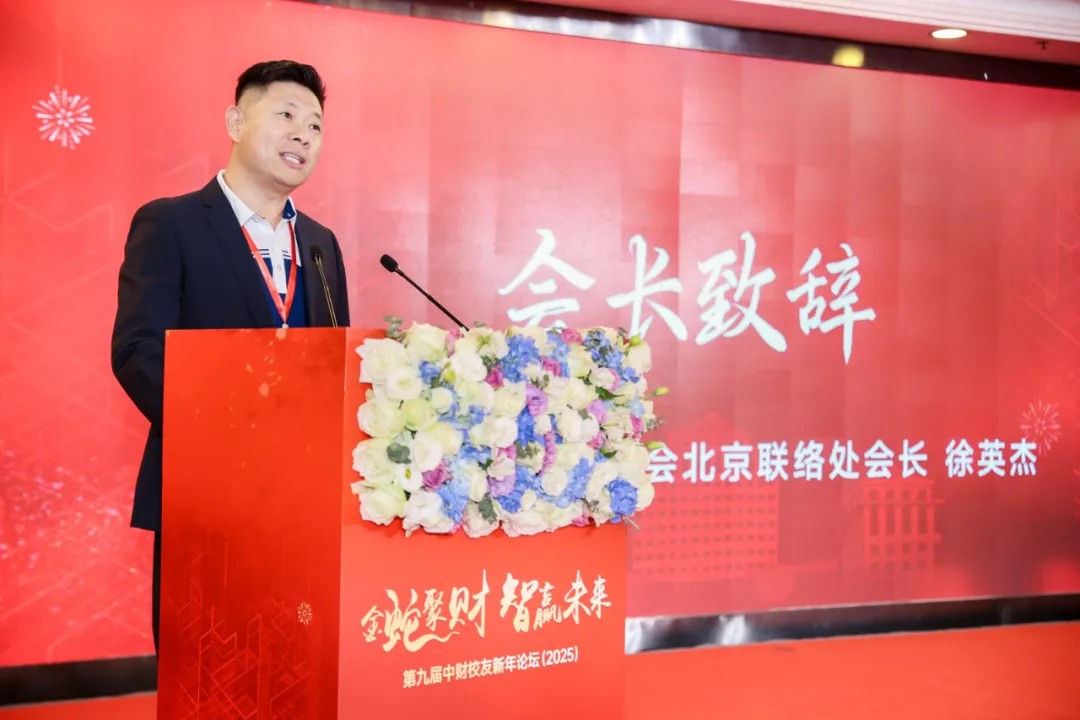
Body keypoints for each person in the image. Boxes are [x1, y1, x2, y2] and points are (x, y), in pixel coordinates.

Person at [110, 60, 350, 653]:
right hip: (207, 496)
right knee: (208, 667)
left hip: (305, 504)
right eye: (287, 115)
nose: (303, 135)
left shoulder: (320, 243)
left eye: (315, 126)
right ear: (236, 122)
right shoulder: (171, 223)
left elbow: (335, 361)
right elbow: (138, 349)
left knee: (298, 668)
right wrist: (224, 435)